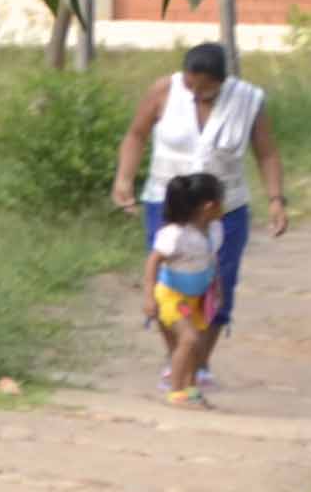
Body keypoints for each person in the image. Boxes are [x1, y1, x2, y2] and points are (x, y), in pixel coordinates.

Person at [115, 40, 285, 346]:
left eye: (204, 90)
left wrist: (275, 199)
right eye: (190, 85)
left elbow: (267, 153)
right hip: (167, 205)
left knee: (219, 282)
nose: (194, 95)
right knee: (170, 283)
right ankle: (178, 361)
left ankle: (197, 366)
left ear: (221, 81)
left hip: (224, 209)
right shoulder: (164, 91)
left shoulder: (248, 100)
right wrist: (124, 179)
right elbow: (136, 134)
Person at [148, 172, 231, 404]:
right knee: (189, 339)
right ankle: (175, 389)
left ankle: (191, 384)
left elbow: (212, 259)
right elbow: (153, 261)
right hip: (174, 295)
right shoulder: (174, 235)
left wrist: (218, 289)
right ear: (208, 206)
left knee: (199, 342)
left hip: (199, 295)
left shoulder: (215, 230)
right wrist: (149, 296)